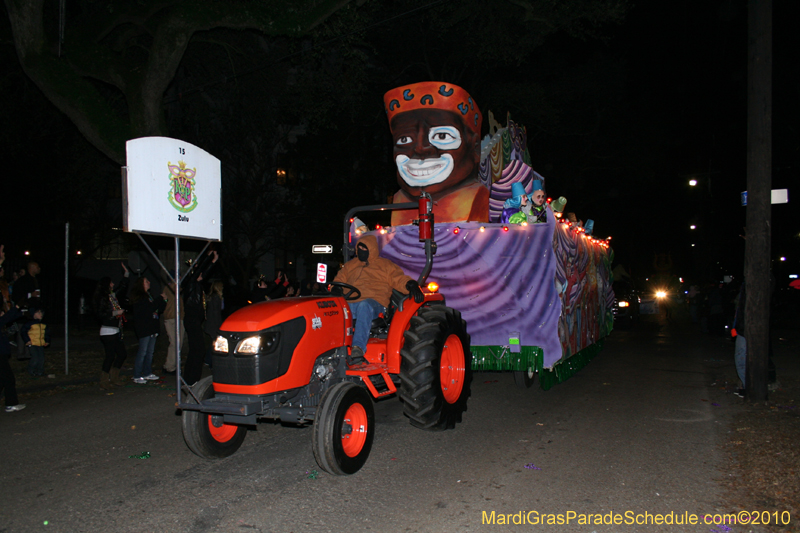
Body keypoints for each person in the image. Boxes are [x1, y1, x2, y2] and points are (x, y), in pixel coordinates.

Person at [385, 81, 488, 226]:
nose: (420, 148)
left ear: (474, 148)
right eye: (404, 139)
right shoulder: (400, 201)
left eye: (442, 136)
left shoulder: (473, 196)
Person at [332, 235, 424, 366]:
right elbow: (339, 279)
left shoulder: (385, 265)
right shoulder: (350, 266)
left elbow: (398, 279)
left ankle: (358, 348)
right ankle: (330, 347)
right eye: (360, 248)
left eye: (365, 248)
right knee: (330, 308)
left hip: (375, 303)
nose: (362, 251)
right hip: (350, 302)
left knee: (364, 305)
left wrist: (410, 284)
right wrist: (336, 288)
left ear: (372, 249)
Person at [182, 250, 218, 386]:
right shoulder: (190, 284)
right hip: (191, 320)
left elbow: (205, 273)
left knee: (196, 350)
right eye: (199, 273)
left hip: (195, 321)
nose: (202, 275)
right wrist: (207, 257)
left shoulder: (197, 285)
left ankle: (190, 378)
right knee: (198, 350)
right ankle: (191, 379)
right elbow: (199, 271)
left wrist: (213, 262)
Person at [93, 263, 130, 389]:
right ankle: (104, 380)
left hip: (115, 330)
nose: (113, 284)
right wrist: (115, 313)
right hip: (107, 331)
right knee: (110, 356)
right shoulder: (102, 298)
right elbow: (101, 314)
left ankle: (114, 377)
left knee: (122, 354)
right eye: (111, 283)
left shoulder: (112, 297)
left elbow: (121, 288)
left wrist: (126, 275)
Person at [129, 277, 167, 384]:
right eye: (146, 281)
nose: (149, 282)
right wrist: (159, 298)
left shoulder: (149, 296)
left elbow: (157, 309)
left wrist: (164, 301)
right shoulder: (140, 298)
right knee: (143, 352)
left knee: (150, 352)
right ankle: (137, 375)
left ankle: (147, 372)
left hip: (152, 327)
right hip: (144, 328)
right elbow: (149, 308)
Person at [1, 304, 25, 412]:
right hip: (0, 356)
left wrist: (21, 313)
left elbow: (11, 317)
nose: (3, 314)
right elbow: (7, 317)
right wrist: (16, 307)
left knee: (3, 380)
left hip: (3, 356)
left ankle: (11, 403)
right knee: (9, 379)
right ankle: (11, 404)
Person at [162, 273, 186, 376]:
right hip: (171, 318)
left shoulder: (176, 289)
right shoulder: (170, 287)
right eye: (178, 277)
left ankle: (173, 365)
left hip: (178, 318)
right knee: (174, 343)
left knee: (178, 343)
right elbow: (175, 288)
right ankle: (169, 367)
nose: (180, 278)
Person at [21, 306, 50, 376]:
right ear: (33, 314)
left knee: (41, 358)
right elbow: (23, 332)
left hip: (40, 343)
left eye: (41, 313)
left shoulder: (43, 324)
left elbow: (46, 333)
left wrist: (47, 341)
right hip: (32, 343)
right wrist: (27, 340)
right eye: (38, 313)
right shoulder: (29, 323)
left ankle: (40, 372)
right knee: (35, 358)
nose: (41, 314)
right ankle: (31, 370)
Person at [203, 280, 224, 367]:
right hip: (213, 325)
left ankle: (208, 360)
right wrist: (219, 325)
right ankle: (209, 361)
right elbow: (216, 313)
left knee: (213, 343)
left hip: (211, 324)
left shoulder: (213, 297)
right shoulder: (215, 298)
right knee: (215, 344)